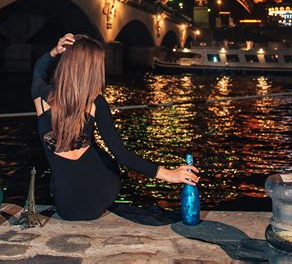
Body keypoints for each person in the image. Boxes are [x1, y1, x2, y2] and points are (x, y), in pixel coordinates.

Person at [31, 33, 200, 221]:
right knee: (103, 154)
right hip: (99, 197)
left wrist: (55, 51)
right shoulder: (96, 103)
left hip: (66, 207)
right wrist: (170, 175)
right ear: (92, 70)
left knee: (58, 178)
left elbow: (39, 69)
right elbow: (121, 155)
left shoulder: (40, 97)